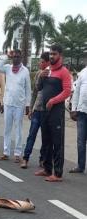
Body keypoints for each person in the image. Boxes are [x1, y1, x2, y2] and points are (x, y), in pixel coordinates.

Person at [35, 44, 72, 182]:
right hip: (45, 111)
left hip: (56, 112)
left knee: (57, 142)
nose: (51, 56)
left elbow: (67, 91)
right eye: (50, 54)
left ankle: (57, 173)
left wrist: (54, 100)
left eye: (54, 54)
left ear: (60, 56)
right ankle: (47, 168)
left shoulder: (64, 72)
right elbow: (39, 88)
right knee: (46, 141)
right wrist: (41, 77)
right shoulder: (47, 70)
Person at [0, 49, 31, 162]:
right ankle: (6, 152)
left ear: (21, 58)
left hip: (19, 105)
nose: (15, 58)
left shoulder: (25, 71)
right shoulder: (7, 68)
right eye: (14, 56)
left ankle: (17, 153)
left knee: (18, 129)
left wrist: (27, 105)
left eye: (17, 56)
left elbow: (28, 89)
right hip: (8, 103)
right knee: (7, 128)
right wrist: (7, 56)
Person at [20, 52, 50, 169]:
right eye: (40, 61)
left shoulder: (52, 74)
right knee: (31, 135)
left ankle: (42, 159)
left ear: (47, 63)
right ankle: (25, 158)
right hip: (37, 110)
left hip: (46, 111)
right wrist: (31, 108)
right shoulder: (38, 73)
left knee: (45, 137)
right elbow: (35, 91)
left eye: (42, 62)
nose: (40, 63)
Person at [69, 66, 87, 174]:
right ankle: (80, 166)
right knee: (80, 141)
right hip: (81, 112)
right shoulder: (83, 73)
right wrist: (73, 109)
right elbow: (77, 92)